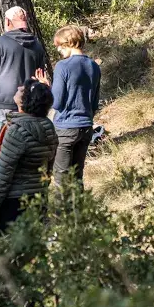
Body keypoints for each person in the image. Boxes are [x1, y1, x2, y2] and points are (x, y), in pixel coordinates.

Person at [0, 6, 49, 188]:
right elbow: (40, 77)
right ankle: (17, 183)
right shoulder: (37, 45)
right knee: (20, 146)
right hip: (28, 107)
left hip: (2, 105)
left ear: (8, 22)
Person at [0, 81, 59, 233]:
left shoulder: (16, 132)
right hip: (38, 199)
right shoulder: (48, 127)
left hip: (14, 204)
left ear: (27, 100)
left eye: (22, 89)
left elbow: (3, 177)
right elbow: (48, 169)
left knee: (13, 254)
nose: (18, 87)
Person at [34, 25, 101, 188]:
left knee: (61, 179)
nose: (58, 49)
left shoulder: (63, 66)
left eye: (59, 45)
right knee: (77, 177)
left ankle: (62, 214)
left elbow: (56, 102)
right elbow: (94, 104)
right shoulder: (94, 66)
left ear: (69, 43)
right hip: (86, 127)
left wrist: (46, 87)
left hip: (65, 128)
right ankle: (80, 213)